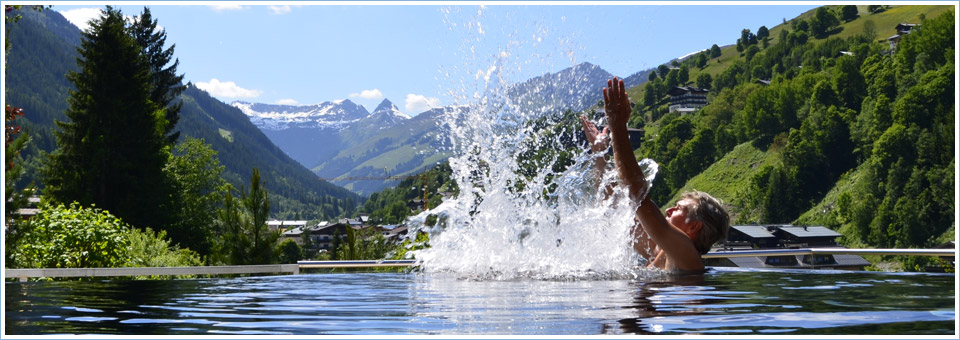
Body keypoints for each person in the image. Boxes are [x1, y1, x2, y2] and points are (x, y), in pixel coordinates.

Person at [581, 77, 730, 272]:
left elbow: (638, 194)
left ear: (693, 227)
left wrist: (618, 126)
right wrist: (599, 153)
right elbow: (611, 207)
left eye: (678, 209)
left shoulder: (685, 251)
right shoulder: (663, 251)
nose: (668, 210)